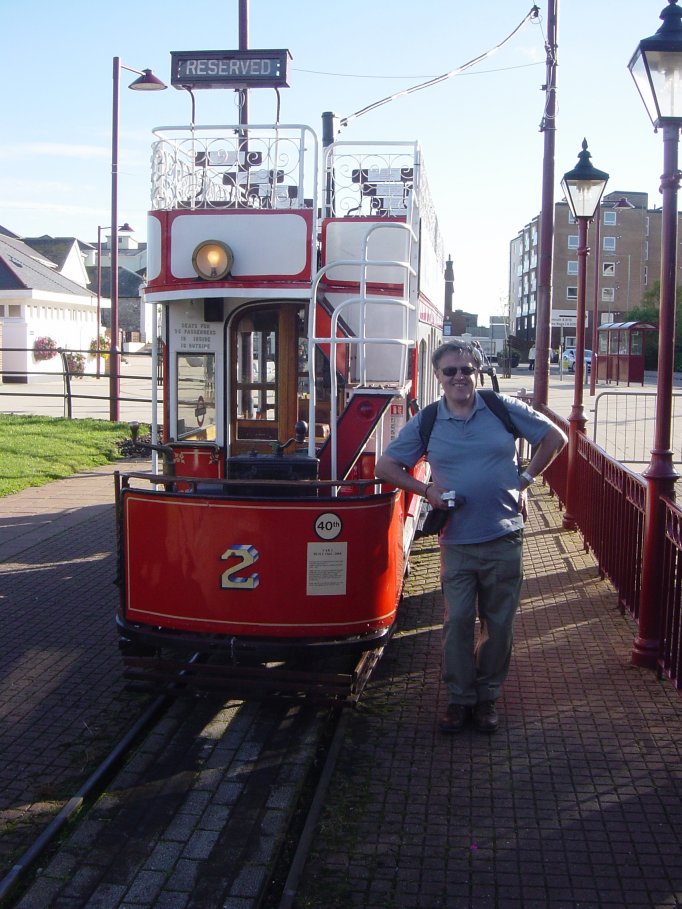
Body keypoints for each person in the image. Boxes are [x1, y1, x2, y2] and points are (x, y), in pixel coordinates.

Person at [374, 339, 567, 734]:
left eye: (466, 369)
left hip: (504, 538)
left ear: (477, 372)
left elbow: (555, 438)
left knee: (499, 626)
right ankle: (460, 699)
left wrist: (526, 480)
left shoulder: (500, 408)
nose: (460, 376)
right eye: (450, 371)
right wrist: (426, 490)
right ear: (438, 377)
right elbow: (386, 466)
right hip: (457, 542)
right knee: (458, 621)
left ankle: (487, 698)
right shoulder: (427, 421)